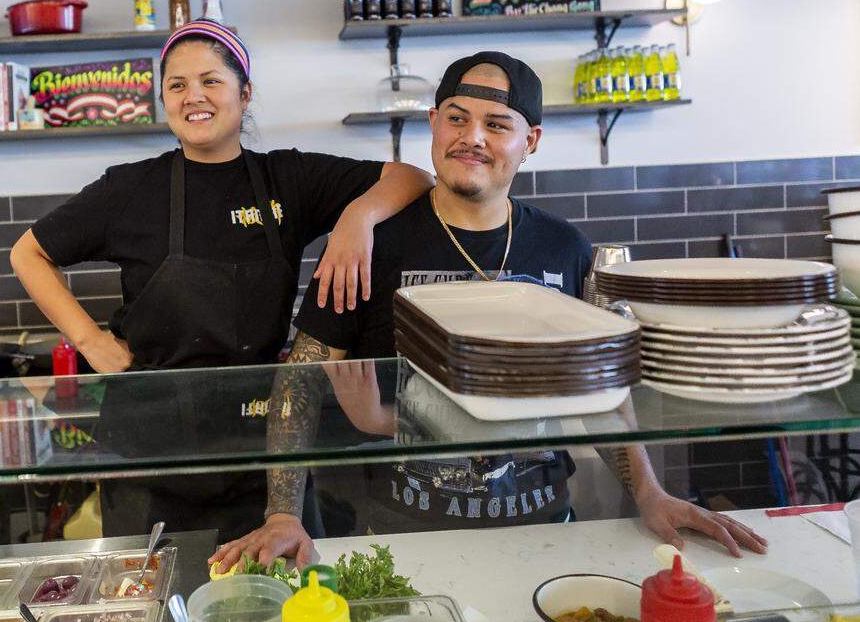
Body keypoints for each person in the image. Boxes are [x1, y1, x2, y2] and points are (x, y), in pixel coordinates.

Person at [211, 51, 769, 571]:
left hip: (546, 529)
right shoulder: (368, 247)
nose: (471, 138)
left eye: (497, 125)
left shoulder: (564, 250)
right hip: (400, 539)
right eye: (456, 118)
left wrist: (649, 491)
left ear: (532, 140)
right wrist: (282, 511)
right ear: (433, 123)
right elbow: (298, 383)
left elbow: (603, 391)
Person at [9, 20, 433, 538]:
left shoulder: (289, 179)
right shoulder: (129, 188)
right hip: (152, 454)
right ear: (163, 98)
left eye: (211, 80)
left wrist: (357, 219)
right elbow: (28, 253)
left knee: (280, 605)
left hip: (262, 447)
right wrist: (90, 340)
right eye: (177, 85)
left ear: (245, 92)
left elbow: (413, 177)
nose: (194, 97)